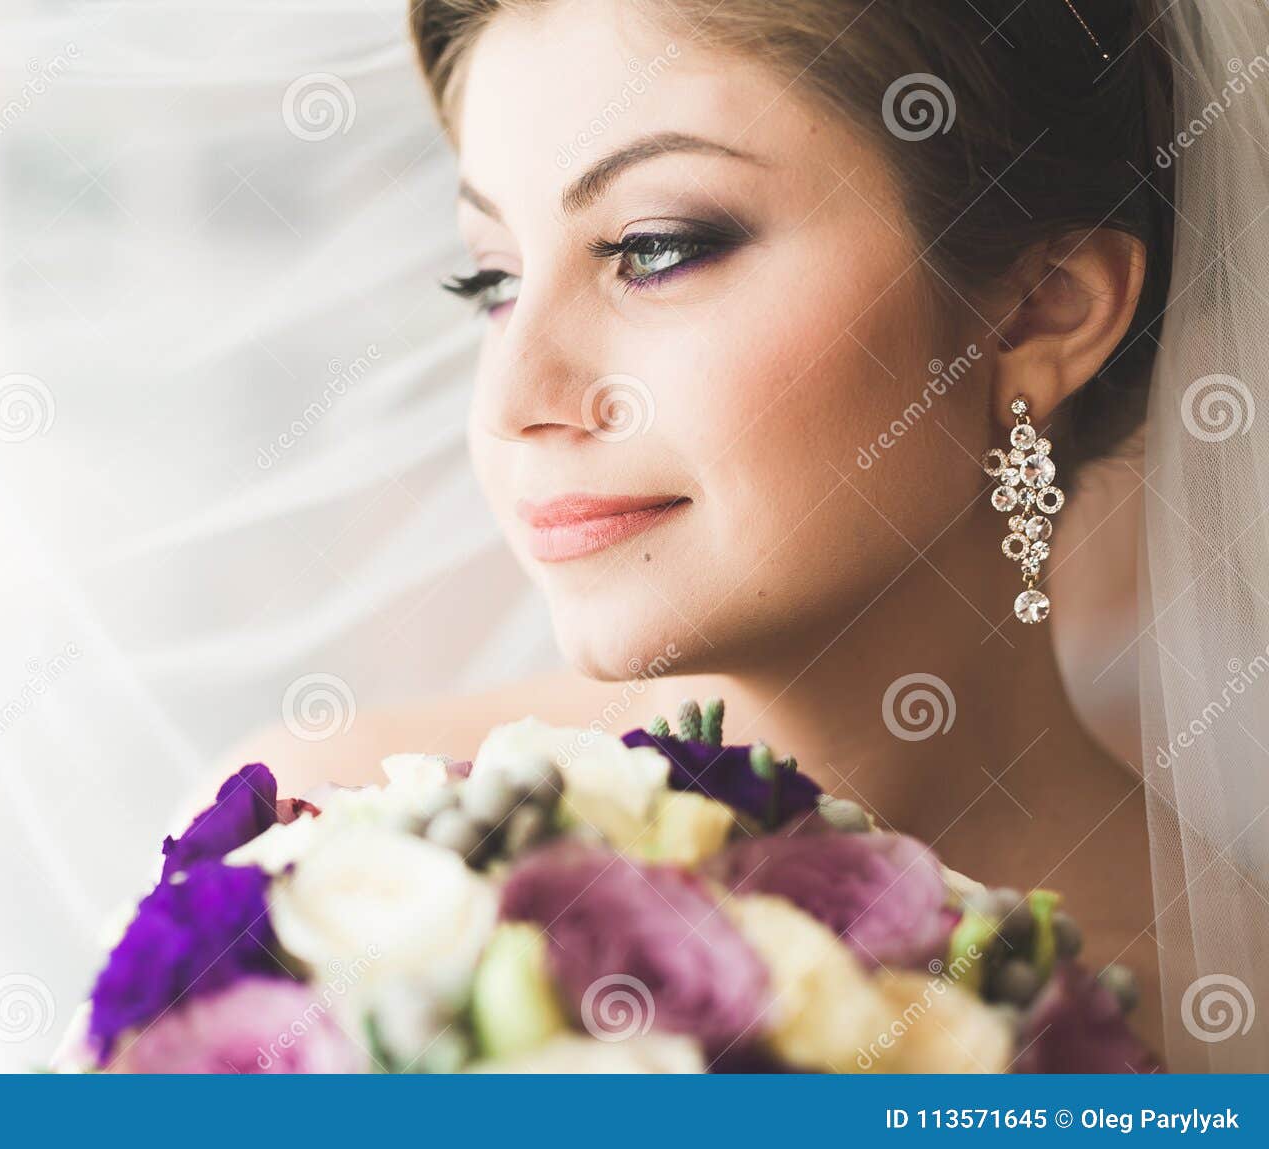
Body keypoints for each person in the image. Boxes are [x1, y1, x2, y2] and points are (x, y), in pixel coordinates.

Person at [213, 0, 1269, 1070]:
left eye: (654, 249)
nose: (513, 398)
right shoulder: (314, 862)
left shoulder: (1223, 1022)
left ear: (1040, 311)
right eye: (493, 278)